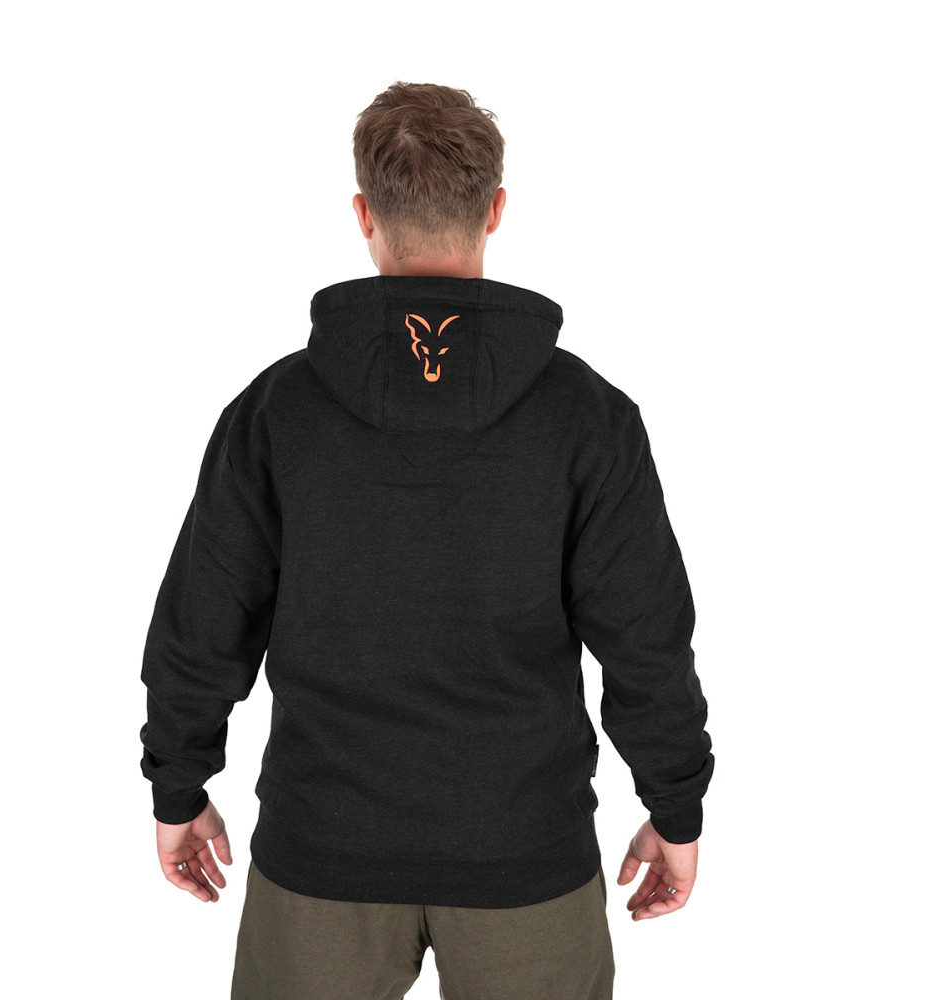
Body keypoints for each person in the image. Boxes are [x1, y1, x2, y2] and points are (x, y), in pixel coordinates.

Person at [139, 80, 714, 1000]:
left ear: (364, 215)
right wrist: (675, 806)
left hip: (321, 855)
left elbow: (204, 620)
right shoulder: (588, 417)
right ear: (496, 211)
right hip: (525, 856)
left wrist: (178, 786)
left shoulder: (278, 412)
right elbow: (646, 639)